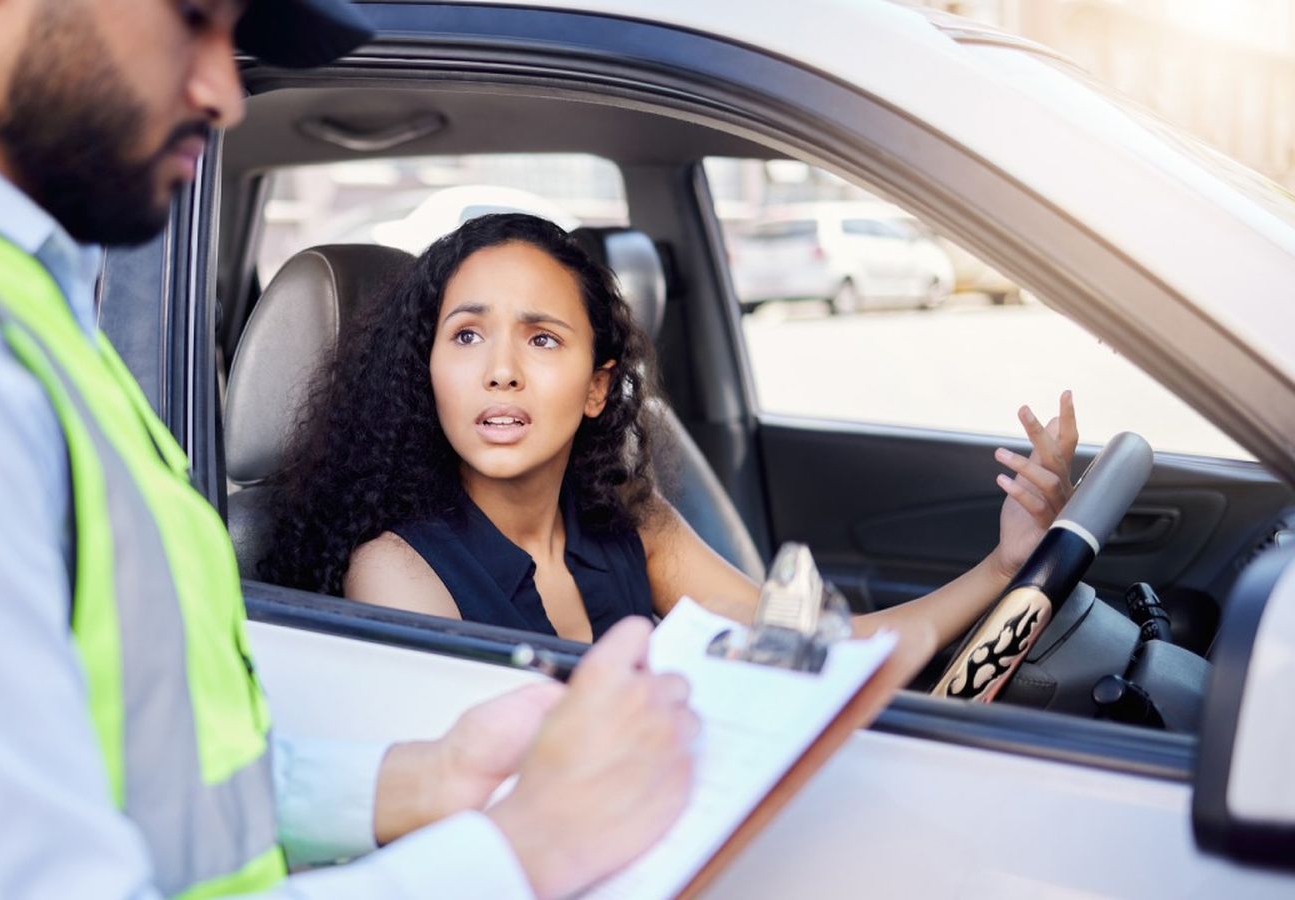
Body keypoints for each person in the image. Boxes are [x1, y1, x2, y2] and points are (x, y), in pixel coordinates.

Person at [0, 3, 700, 899]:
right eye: (191, 19)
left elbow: (120, 776)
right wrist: (525, 849)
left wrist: (425, 778)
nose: (223, 93)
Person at [263, 213, 1079, 649]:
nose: (500, 370)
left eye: (542, 338)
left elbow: (820, 646)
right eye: (467, 335)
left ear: (596, 388)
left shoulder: (631, 523)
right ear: (427, 369)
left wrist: (1005, 565)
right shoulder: (396, 571)